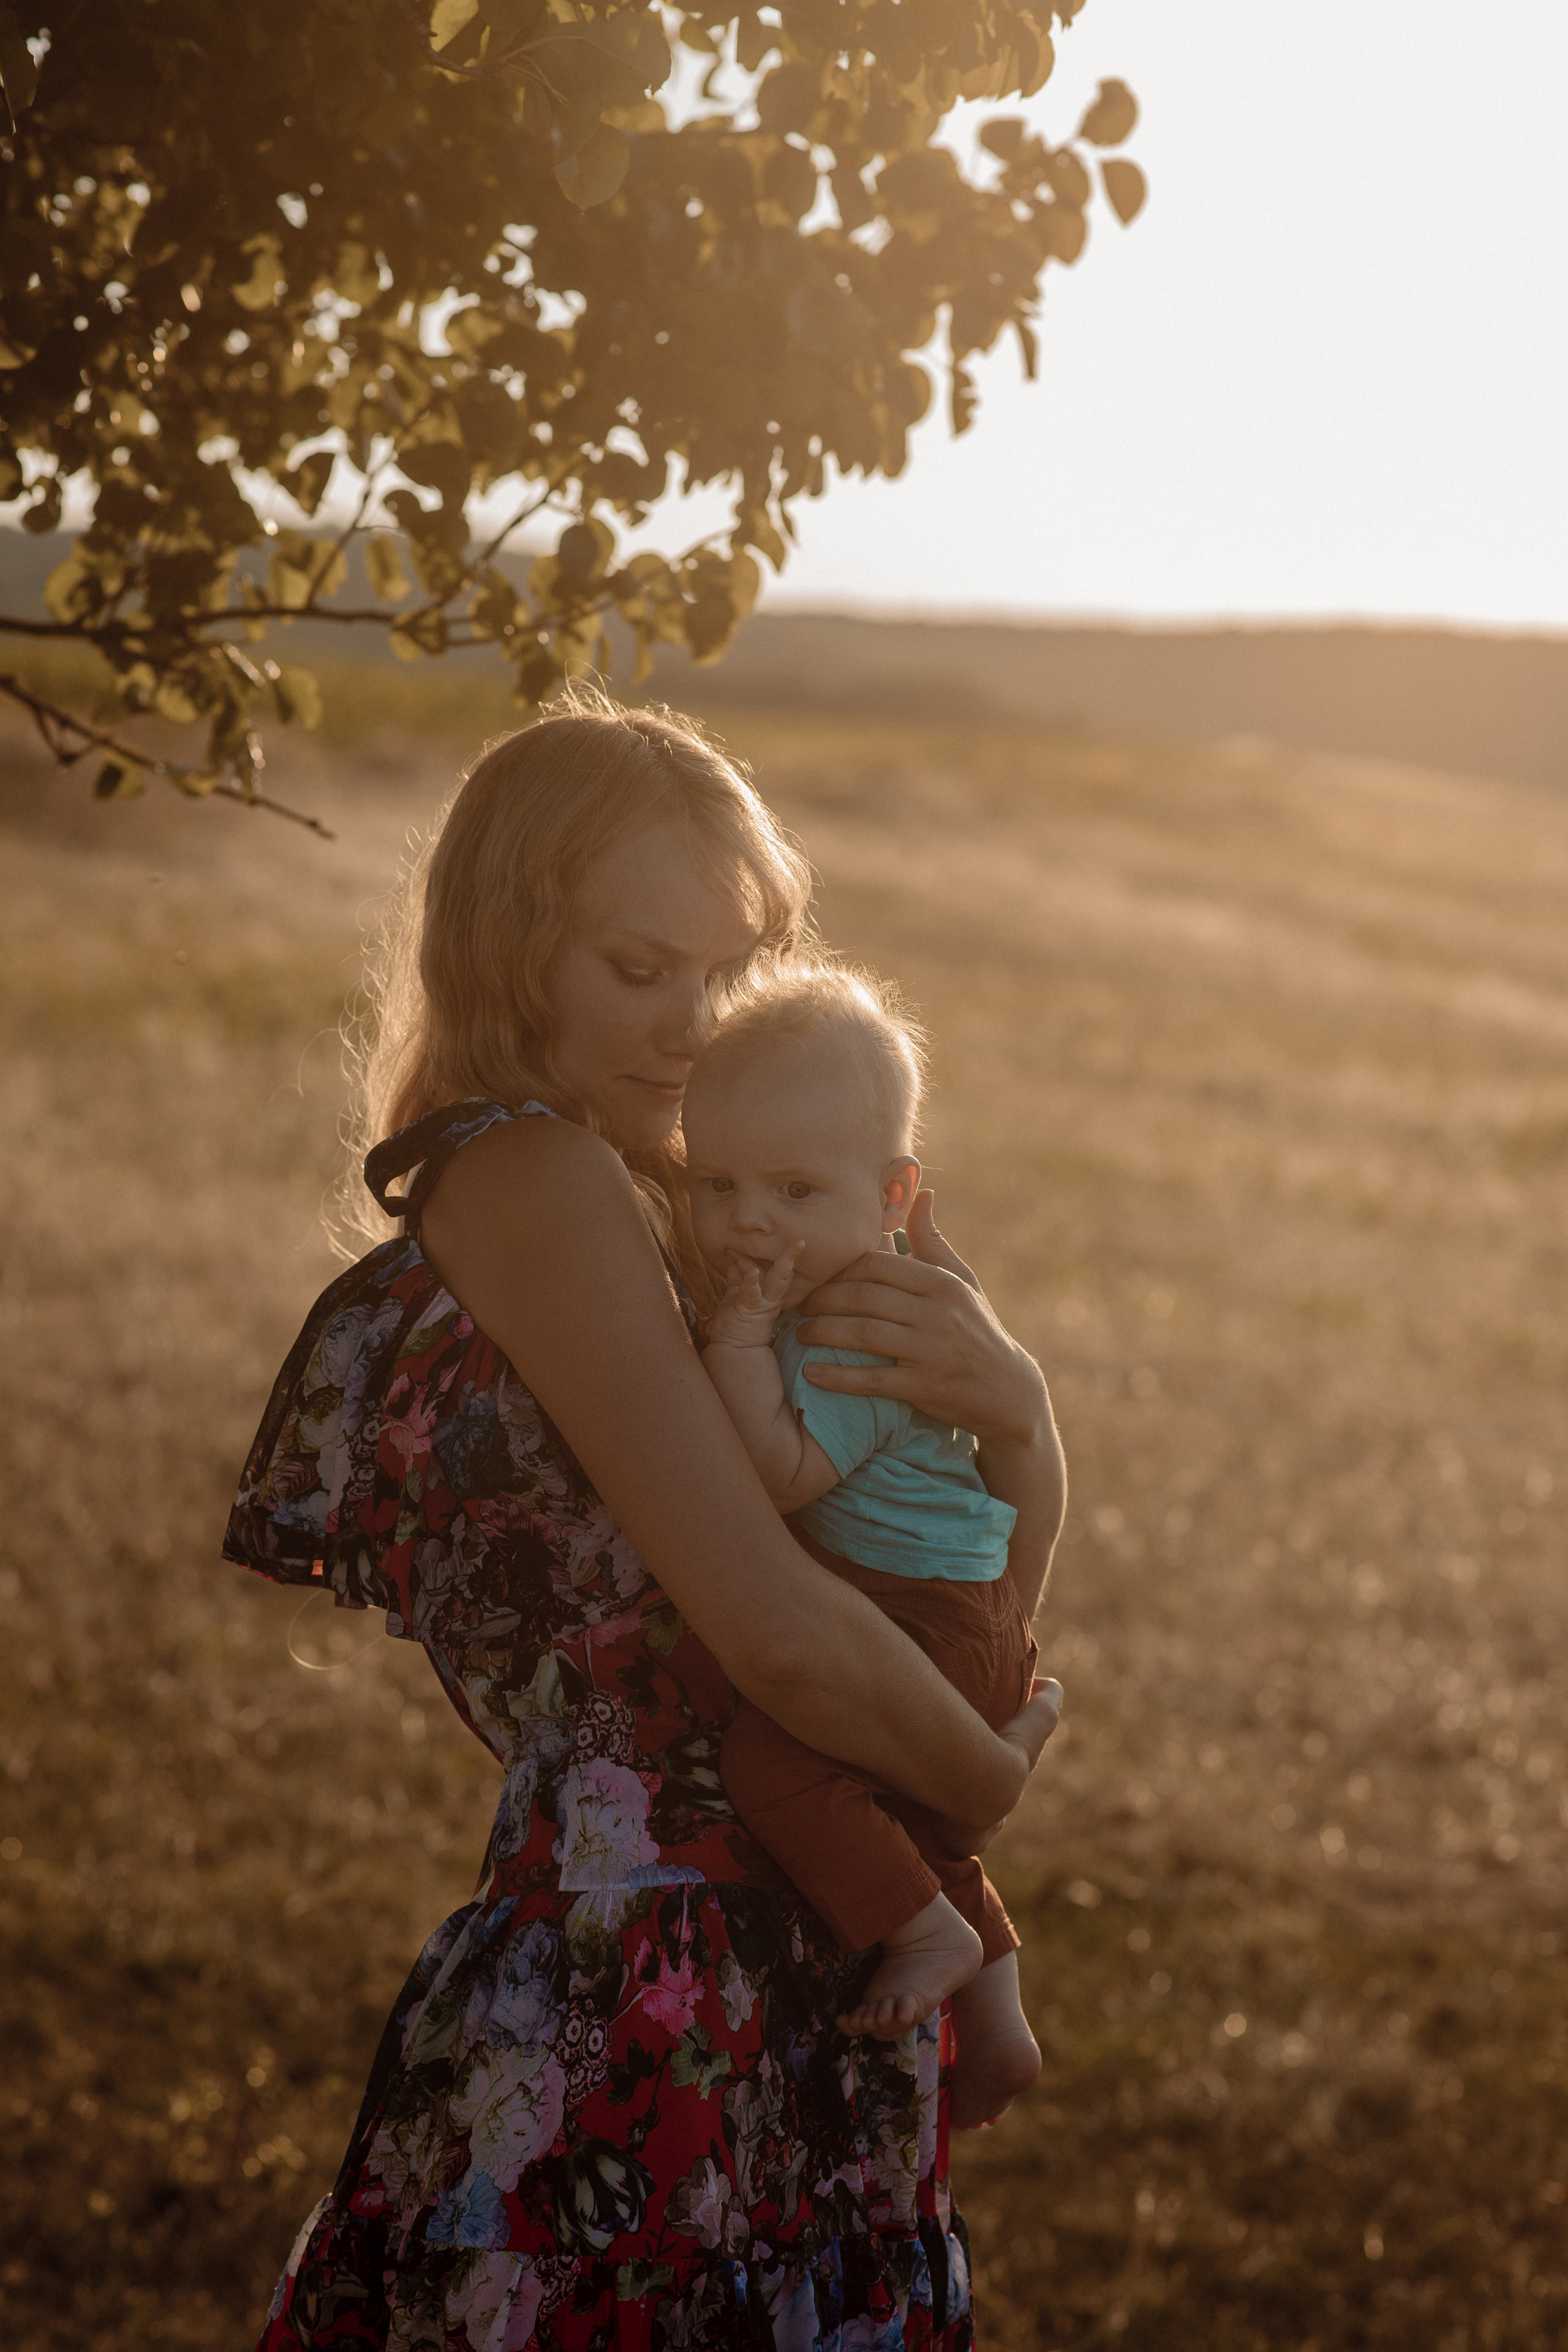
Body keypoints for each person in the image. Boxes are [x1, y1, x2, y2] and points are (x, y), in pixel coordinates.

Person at [224, 692, 1067, 2352]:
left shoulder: (739, 1194)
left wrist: (1026, 1412)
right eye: (637, 968)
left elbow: (962, 1554)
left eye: (727, 973)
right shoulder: (531, 1173)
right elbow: (774, 1632)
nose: (692, 1027)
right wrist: (979, 1788)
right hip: (645, 1970)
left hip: (805, 1929)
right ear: (507, 950)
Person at [682, 962, 1046, 2134]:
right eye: (719, 1184)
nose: (749, 1221)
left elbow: (782, 1474)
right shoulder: (847, 1292)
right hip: (960, 1609)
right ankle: (1000, 2026)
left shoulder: (850, 1333)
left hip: (919, 1617)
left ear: (893, 1196)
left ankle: (928, 1933)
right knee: (903, 1811)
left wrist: (739, 1341)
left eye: (794, 1189)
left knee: (781, 1765)